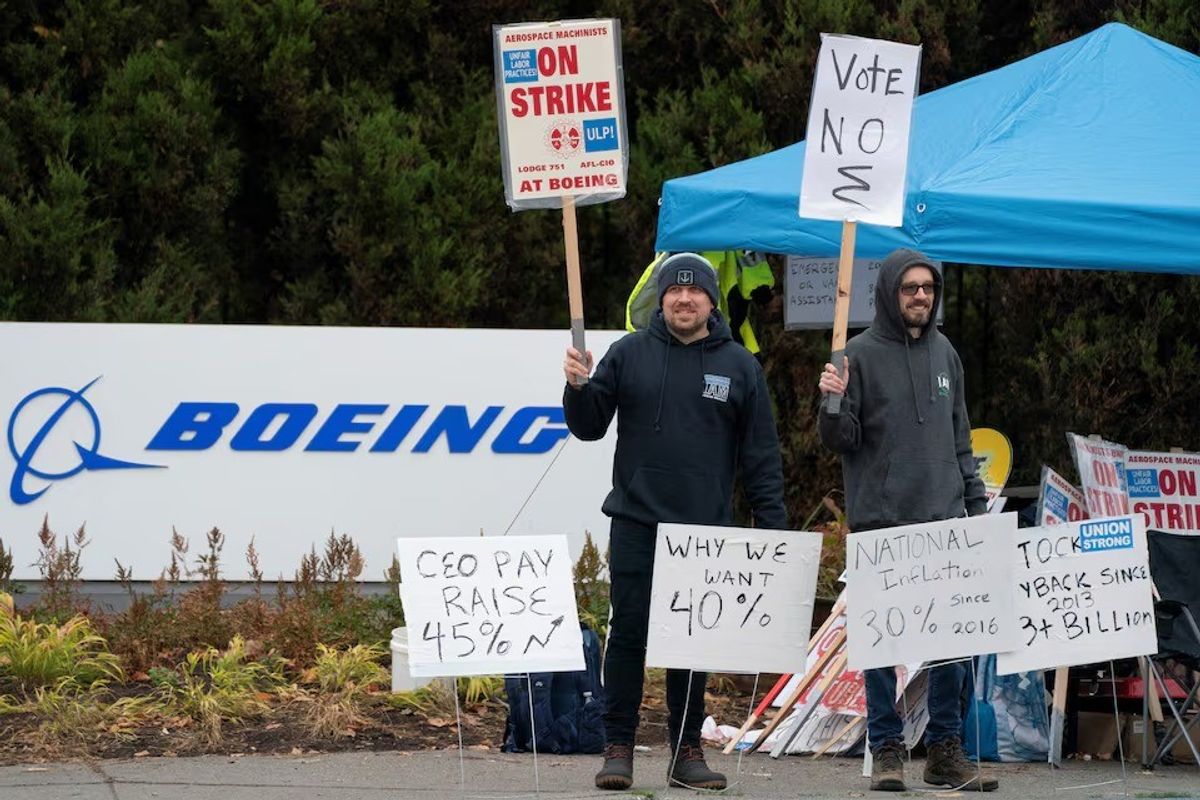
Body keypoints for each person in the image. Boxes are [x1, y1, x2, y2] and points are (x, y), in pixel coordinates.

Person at [563, 252, 788, 791]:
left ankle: (687, 751)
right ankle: (617, 746)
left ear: (712, 301)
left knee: (692, 643)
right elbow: (589, 427)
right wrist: (577, 388)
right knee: (628, 638)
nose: (684, 299)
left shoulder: (739, 365)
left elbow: (761, 456)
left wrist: (774, 530)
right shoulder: (628, 353)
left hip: (703, 533)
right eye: (674, 291)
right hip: (637, 522)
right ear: (661, 298)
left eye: (695, 292)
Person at [817, 248, 998, 793]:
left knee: (951, 644)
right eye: (909, 288)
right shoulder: (856, 357)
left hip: (945, 521)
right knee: (882, 645)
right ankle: (887, 749)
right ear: (889, 293)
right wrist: (832, 402)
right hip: (881, 524)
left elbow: (961, 437)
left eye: (928, 288)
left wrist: (974, 507)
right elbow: (838, 442)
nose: (921, 296)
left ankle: (945, 751)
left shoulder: (947, 353)